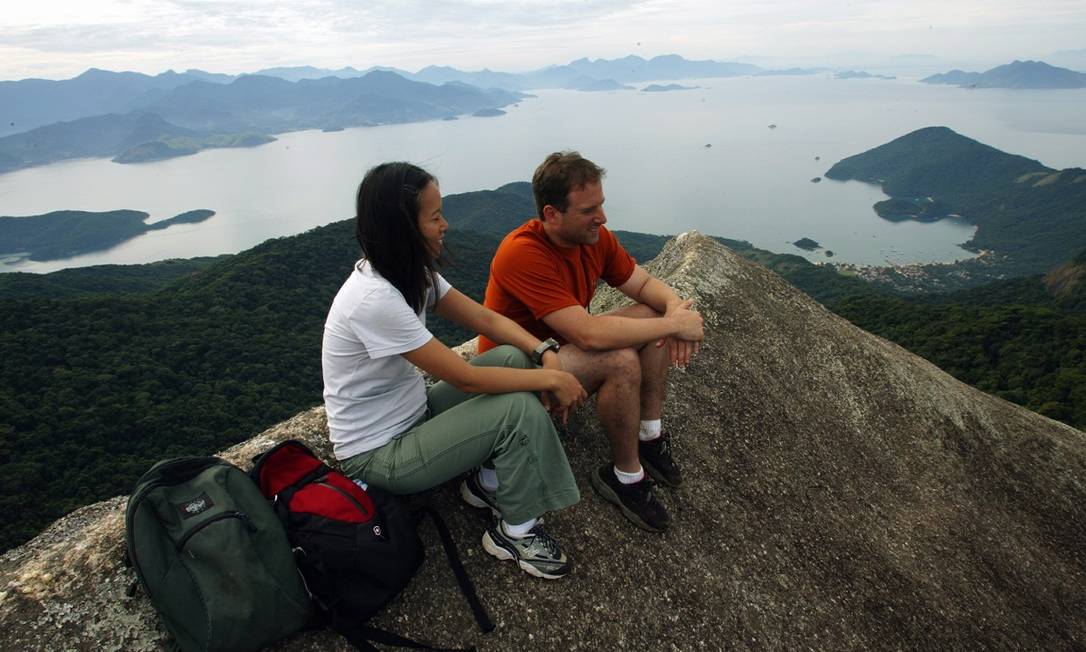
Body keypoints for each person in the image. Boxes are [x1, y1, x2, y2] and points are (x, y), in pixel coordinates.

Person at [322, 162, 588, 580]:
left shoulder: (411, 274)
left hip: (413, 416)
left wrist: (545, 351)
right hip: (377, 455)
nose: (446, 224)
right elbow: (466, 378)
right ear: (403, 228)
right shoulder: (374, 299)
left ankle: (486, 483)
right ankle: (514, 533)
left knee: (514, 358)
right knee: (516, 409)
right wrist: (552, 378)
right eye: (434, 217)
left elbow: (488, 320)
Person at [478, 151, 704, 533]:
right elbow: (588, 334)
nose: (602, 217)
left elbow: (645, 286)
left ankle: (649, 436)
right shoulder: (522, 253)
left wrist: (673, 314)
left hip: (558, 354)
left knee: (653, 317)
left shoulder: (594, 239)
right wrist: (673, 325)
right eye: (588, 210)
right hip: (518, 377)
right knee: (621, 360)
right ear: (551, 214)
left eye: (601, 204)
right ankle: (625, 477)